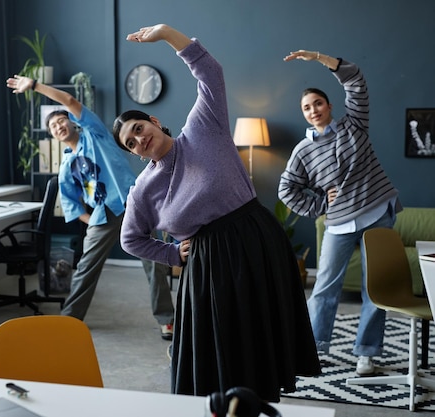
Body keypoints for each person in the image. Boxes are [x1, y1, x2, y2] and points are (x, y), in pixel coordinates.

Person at [112, 24, 320, 402]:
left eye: (139, 128)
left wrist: (167, 34)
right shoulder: (143, 189)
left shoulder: (203, 127)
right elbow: (130, 239)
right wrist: (172, 254)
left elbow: (210, 73)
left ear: (154, 122)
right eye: (131, 143)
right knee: (222, 346)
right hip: (208, 263)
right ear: (133, 153)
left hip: (256, 239)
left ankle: (260, 402)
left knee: (261, 333)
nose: (140, 139)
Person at [6, 76, 175, 339]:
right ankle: (70, 320)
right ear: (52, 135)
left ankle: (167, 320)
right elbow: (72, 205)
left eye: (61, 120)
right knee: (86, 268)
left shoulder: (94, 134)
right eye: (52, 126)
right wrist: (94, 222)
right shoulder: (65, 167)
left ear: (72, 122)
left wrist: (36, 86)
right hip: (101, 215)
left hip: (133, 204)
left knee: (155, 263)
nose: (58, 125)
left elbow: (70, 101)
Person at [279, 50, 401, 376]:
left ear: (329, 105)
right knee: (323, 290)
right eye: (306, 108)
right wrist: (320, 205)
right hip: (338, 223)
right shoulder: (303, 151)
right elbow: (286, 189)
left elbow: (357, 83)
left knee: (376, 288)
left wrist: (320, 58)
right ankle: (314, 349)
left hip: (378, 213)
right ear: (303, 115)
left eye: (318, 103)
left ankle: (367, 353)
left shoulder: (354, 124)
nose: (313, 110)